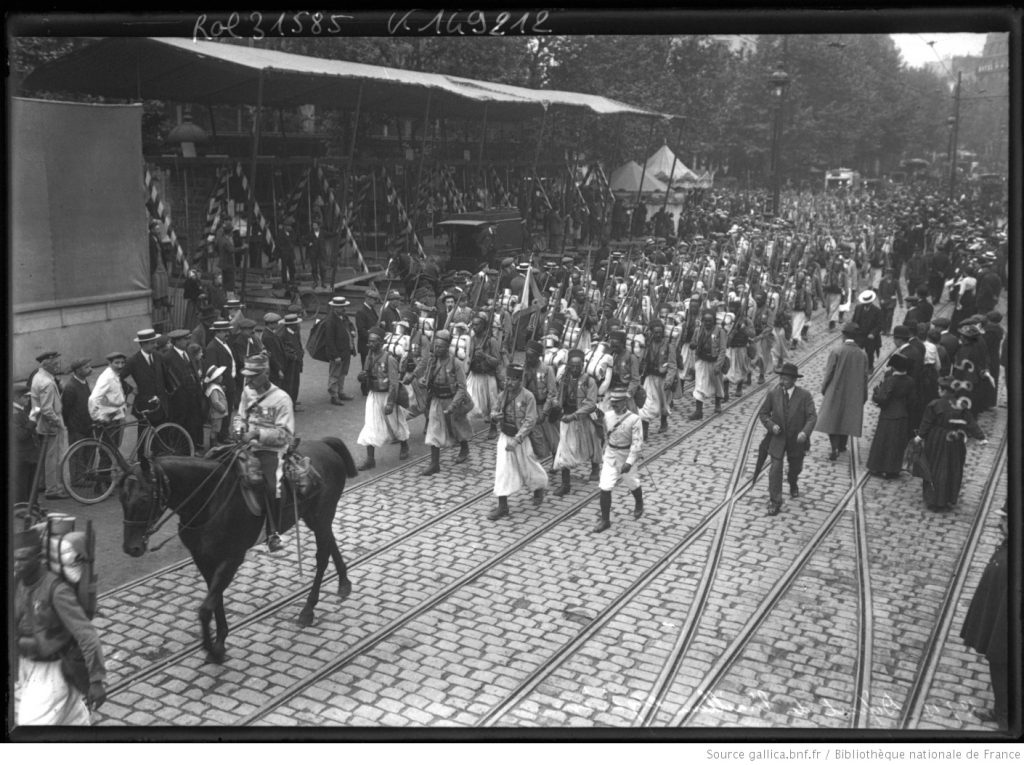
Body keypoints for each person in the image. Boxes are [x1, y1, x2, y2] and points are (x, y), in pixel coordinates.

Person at [14, 527, 107, 725]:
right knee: (73, 721)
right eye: (14, 559)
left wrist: (96, 680)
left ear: (38, 558)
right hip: (26, 667)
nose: (16, 564)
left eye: (22, 559)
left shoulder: (57, 590)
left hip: (51, 671)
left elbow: (86, 634)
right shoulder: (19, 583)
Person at [232, 354, 294, 552]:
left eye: (253, 376)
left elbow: (285, 435)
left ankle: (273, 533)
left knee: (271, 486)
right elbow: (240, 416)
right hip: (246, 446)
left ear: (266, 373)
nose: (248, 380)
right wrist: (239, 428)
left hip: (270, 450)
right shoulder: (247, 392)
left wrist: (257, 433)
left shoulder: (282, 399)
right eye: (247, 376)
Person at [960, 505, 1009, 730]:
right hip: (999, 617)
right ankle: (1002, 709)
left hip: (1005, 625)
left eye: (1005, 520)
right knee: (999, 663)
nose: (1000, 524)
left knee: (1001, 663)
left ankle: (1006, 717)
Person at [912, 376, 987, 511]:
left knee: (934, 468)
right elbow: (971, 423)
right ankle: (947, 499)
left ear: (942, 391)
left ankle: (933, 500)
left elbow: (926, 423)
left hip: (936, 440)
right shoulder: (961, 406)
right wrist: (981, 437)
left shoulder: (934, 404)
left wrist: (919, 436)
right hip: (955, 440)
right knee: (952, 468)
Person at [757, 362, 817, 517]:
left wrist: (805, 432)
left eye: (785, 378)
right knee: (775, 469)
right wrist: (771, 426)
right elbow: (763, 414)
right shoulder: (773, 394)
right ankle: (775, 501)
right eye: (781, 377)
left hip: (797, 439)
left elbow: (812, 417)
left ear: (793, 380)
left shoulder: (804, 396)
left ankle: (793, 481)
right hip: (778, 438)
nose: (781, 381)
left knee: (795, 467)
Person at [489, 364, 548, 520]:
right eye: (507, 379)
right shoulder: (503, 395)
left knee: (529, 465)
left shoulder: (528, 397)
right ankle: (503, 506)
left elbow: (530, 421)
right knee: (502, 469)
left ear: (520, 380)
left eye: (513, 380)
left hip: (522, 439)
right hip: (505, 437)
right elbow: (493, 411)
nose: (509, 383)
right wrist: (495, 416)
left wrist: (517, 440)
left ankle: (539, 487)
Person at [413, 329, 474, 475]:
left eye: (440, 347)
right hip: (436, 400)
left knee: (456, 427)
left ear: (447, 347)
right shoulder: (432, 362)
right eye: (436, 346)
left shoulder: (456, 363)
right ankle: (435, 464)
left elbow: (462, 387)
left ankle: (464, 448)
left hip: (452, 400)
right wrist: (423, 382)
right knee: (433, 430)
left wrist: (453, 406)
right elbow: (427, 378)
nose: (436, 349)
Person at [356, 327, 411, 469]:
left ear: (381, 342)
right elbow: (366, 374)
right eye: (369, 342)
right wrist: (361, 377)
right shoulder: (369, 357)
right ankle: (370, 459)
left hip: (387, 395)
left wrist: (390, 403)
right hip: (373, 395)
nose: (370, 344)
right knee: (370, 424)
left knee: (396, 422)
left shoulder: (390, 359)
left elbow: (394, 383)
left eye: (373, 342)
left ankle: (404, 445)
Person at [593, 386, 644, 534]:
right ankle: (605, 520)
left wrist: (629, 462)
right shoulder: (607, 416)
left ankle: (639, 502)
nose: (614, 404)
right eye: (612, 401)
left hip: (626, 455)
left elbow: (637, 443)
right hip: (610, 455)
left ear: (625, 402)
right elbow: (604, 435)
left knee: (632, 482)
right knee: (605, 486)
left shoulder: (634, 419)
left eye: (617, 402)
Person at [551, 349, 601, 497]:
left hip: (585, 418)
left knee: (592, 444)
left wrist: (575, 415)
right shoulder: (564, 380)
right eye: (572, 366)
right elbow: (559, 398)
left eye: (578, 366)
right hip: (567, 419)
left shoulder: (589, 381)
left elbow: (591, 404)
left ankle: (595, 468)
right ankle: (565, 483)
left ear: (583, 365)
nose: (575, 369)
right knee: (564, 450)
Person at [815, 322, 868, 461]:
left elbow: (829, 372)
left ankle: (834, 448)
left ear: (843, 335)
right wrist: (864, 395)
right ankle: (842, 445)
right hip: (853, 392)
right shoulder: (862, 355)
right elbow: (864, 377)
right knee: (846, 418)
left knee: (832, 418)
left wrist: (824, 387)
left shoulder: (837, 351)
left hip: (835, 389)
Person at [866, 352, 917, 478]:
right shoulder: (910, 381)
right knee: (896, 444)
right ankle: (892, 469)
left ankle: (879, 467)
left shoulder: (891, 380)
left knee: (883, 442)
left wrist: (876, 393)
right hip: (903, 415)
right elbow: (913, 400)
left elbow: (882, 399)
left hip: (889, 415)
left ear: (894, 367)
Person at [30, 350, 70, 500]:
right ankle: (53, 489)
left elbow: (38, 406)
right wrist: (58, 423)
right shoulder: (47, 382)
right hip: (50, 423)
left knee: (46, 456)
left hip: (41, 421)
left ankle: (44, 484)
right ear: (47, 364)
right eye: (55, 364)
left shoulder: (38, 376)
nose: (57, 366)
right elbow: (47, 409)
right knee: (53, 458)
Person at [122, 328, 170, 441]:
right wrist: (130, 389)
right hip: (144, 404)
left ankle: (159, 455)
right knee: (143, 434)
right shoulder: (133, 361)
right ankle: (142, 458)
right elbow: (118, 378)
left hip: (161, 403)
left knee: (161, 432)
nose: (155, 345)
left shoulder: (158, 356)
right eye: (152, 343)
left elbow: (165, 376)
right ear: (143, 344)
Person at [162, 329, 204, 449]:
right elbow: (166, 379)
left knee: (194, 422)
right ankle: (182, 450)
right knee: (181, 424)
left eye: (188, 338)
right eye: (185, 339)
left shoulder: (188, 353)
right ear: (177, 341)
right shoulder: (168, 357)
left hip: (194, 395)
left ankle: (193, 446)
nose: (188, 341)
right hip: (180, 399)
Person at [466, 312, 503, 438]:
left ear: (484, 326)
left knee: (491, 403)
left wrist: (484, 356)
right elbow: (467, 358)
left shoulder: (491, 341)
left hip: (488, 376)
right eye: (473, 325)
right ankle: (468, 429)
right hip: (474, 375)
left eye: (477, 325)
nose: (474, 327)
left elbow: (497, 361)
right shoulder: (471, 340)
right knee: (469, 402)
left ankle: (493, 427)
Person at [639, 318, 677, 437]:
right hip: (650, 377)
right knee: (647, 404)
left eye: (660, 332)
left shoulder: (668, 346)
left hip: (663, 379)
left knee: (664, 402)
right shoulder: (647, 344)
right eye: (655, 332)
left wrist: (669, 380)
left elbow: (672, 365)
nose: (658, 335)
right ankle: (645, 430)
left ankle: (663, 422)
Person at [522, 340, 559, 461]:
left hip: (543, 405)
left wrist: (545, 411)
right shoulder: (525, 369)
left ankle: (556, 458)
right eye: (527, 357)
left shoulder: (547, 370)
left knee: (551, 435)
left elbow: (552, 392)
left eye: (531, 357)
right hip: (529, 406)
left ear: (538, 357)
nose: (528, 360)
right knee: (534, 435)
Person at [204, 320, 238, 443]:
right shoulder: (212, 347)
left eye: (227, 330)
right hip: (222, 385)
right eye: (224, 331)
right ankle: (222, 437)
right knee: (222, 412)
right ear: (217, 332)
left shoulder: (225, 343)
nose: (227, 333)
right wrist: (220, 384)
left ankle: (225, 434)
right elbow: (212, 368)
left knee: (228, 410)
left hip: (230, 382)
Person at [688, 310, 727, 420]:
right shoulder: (698, 330)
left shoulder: (720, 332)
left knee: (717, 383)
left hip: (714, 361)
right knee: (699, 384)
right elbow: (692, 343)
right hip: (702, 360)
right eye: (705, 321)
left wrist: (718, 365)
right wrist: (693, 344)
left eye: (710, 321)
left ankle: (718, 403)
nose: (708, 323)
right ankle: (698, 411)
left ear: (714, 321)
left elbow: (723, 350)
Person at [324, 296, 357, 405]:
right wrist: (335, 355)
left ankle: (340, 392)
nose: (343, 309)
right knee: (334, 374)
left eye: (343, 306)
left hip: (346, 351)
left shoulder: (344, 317)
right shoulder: (330, 320)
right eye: (340, 307)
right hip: (337, 353)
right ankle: (334, 395)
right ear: (334, 308)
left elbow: (351, 325)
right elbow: (329, 340)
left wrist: (352, 331)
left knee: (343, 373)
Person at [13, 380, 40, 503]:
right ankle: (23, 508)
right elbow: (20, 435)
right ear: (16, 398)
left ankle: (32, 505)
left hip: (29, 455)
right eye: (25, 397)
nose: (28, 400)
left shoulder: (20, 410)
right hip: (22, 456)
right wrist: (32, 420)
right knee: (22, 485)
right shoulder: (14, 413)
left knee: (31, 483)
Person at [61, 358, 94, 447]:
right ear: (78, 371)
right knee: (77, 456)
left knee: (90, 455)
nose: (90, 369)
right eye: (86, 367)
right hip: (77, 430)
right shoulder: (70, 387)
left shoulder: (84, 381)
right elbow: (65, 410)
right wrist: (71, 426)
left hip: (87, 426)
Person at [852, 289, 883, 372]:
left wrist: (873, 333)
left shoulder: (877, 311)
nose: (865, 304)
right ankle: (857, 366)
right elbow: (854, 320)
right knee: (856, 351)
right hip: (860, 335)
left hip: (870, 337)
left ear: (871, 302)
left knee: (870, 353)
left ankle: (870, 366)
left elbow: (880, 325)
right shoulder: (858, 308)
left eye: (867, 302)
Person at [354, 287, 383, 368]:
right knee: (366, 368)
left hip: (374, 344)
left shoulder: (372, 310)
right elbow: (361, 331)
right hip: (366, 345)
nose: (376, 301)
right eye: (374, 299)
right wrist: (372, 335)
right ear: (367, 299)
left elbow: (375, 323)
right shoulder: (361, 312)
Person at [280, 313, 304, 406]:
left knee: (295, 383)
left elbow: (298, 344)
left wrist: (301, 352)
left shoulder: (295, 332)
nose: (298, 325)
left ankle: (293, 400)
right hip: (289, 365)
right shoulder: (283, 335)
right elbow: (283, 350)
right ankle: (289, 403)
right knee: (288, 384)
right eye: (296, 324)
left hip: (297, 363)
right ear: (291, 325)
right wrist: (292, 356)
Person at [203, 365, 229, 449]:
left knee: (217, 428)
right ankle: (213, 444)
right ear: (216, 378)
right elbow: (215, 401)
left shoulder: (215, 387)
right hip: (216, 413)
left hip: (218, 413)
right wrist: (222, 408)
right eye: (220, 376)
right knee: (215, 429)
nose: (222, 377)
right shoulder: (213, 389)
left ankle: (215, 442)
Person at [260, 313, 287, 388]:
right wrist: (278, 369)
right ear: (270, 324)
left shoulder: (270, 333)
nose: (278, 324)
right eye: (276, 323)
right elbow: (272, 355)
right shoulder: (268, 337)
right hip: (273, 369)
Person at [214, 220, 238, 295]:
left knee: (225, 284)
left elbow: (216, 247)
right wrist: (243, 248)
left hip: (224, 265)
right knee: (230, 285)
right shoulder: (226, 241)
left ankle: (226, 299)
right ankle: (230, 301)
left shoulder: (221, 239)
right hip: (229, 266)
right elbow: (231, 250)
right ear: (230, 231)